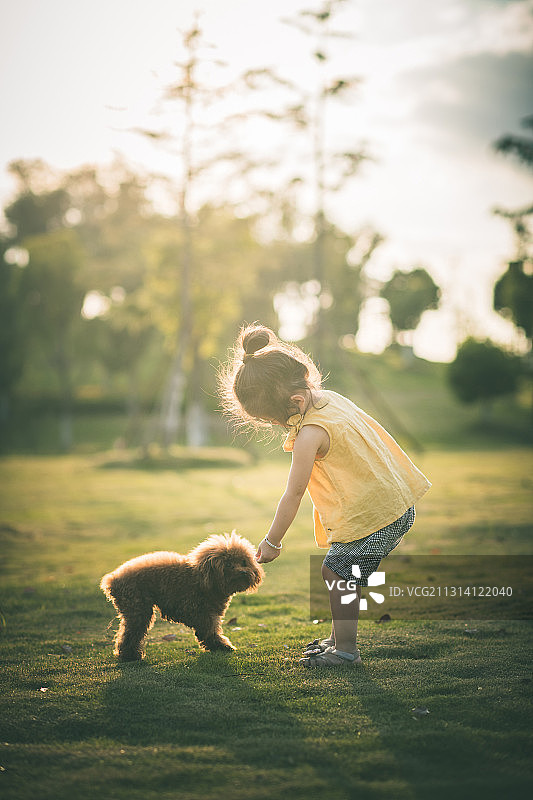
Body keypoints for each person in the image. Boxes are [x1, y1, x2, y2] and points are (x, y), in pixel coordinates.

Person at [218, 324, 431, 668]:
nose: (277, 427)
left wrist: (272, 542)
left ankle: (346, 652)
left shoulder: (310, 434)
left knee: (338, 572)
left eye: (274, 420)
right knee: (342, 572)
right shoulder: (331, 400)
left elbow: (293, 494)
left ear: (296, 402)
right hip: (392, 505)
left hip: (379, 515)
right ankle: (338, 639)